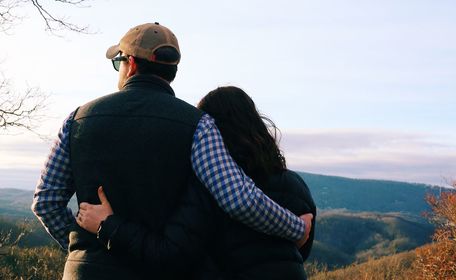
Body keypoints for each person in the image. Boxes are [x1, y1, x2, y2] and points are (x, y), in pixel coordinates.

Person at [31, 22, 312, 279]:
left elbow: (45, 202)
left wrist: (85, 246)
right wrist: (296, 229)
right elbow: (237, 198)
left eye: (118, 62)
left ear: (130, 64)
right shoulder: (198, 125)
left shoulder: (78, 118)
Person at [77, 86, 317, 280]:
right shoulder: (294, 184)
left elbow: (169, 255)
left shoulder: (206, 188)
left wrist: (109, 226)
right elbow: (300, 252)